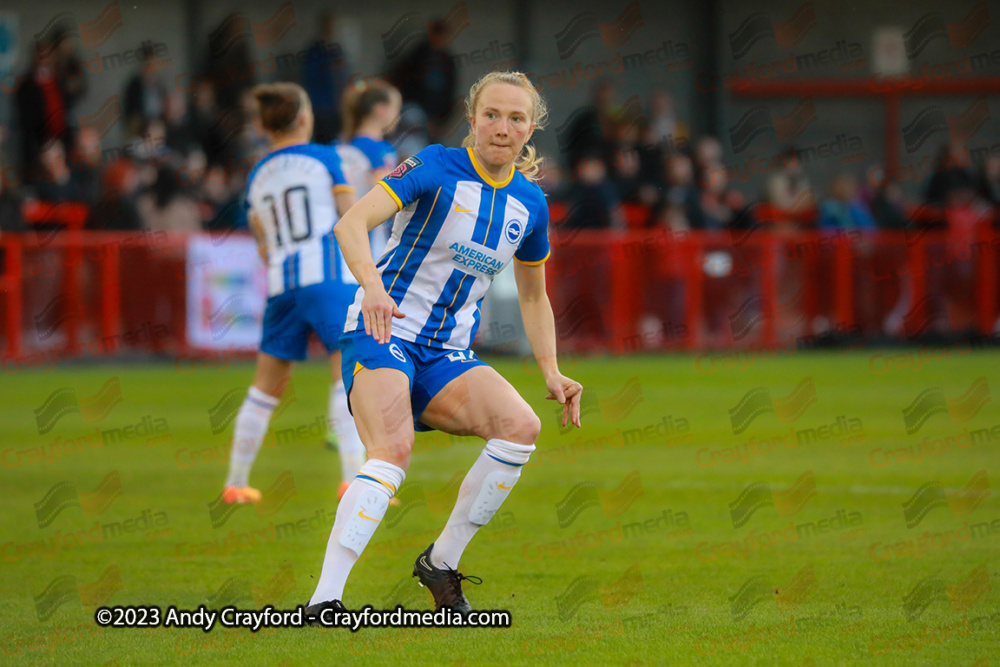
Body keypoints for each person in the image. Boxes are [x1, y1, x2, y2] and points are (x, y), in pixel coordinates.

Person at [304, 71, 583, 619]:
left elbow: (533, 298)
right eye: (492, 115)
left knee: (522, 427)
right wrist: (374, 288)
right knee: (392, 452)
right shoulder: (434, 165)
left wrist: (551, 371)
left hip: (445, 353)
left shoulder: (530, 204)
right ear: (472, 117)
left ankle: (440, 561)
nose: (502, 128)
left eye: (516, 118)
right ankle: (324, 600)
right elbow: (351, 224)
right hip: (382, 330)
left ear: (531, 128)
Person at [220, 83, 358, 504]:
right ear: (303, 118)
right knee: (347, 376)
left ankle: (236, 484)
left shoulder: (258, 173)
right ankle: (353, 478)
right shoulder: (324, 158)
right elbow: (351, 217)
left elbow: (261, 240)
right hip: (328, 278)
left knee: (264, 389)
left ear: (265, 124)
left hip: (282, 285)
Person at [323, 82, 402, 495]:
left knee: (340, 350)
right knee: (362, 351)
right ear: (381, 111)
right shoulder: (377, 152)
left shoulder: (340, 147)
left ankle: (339, 426)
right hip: (369, 257)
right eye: (395, 109)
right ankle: (355, 447)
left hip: (336, 257)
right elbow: (386, 195)